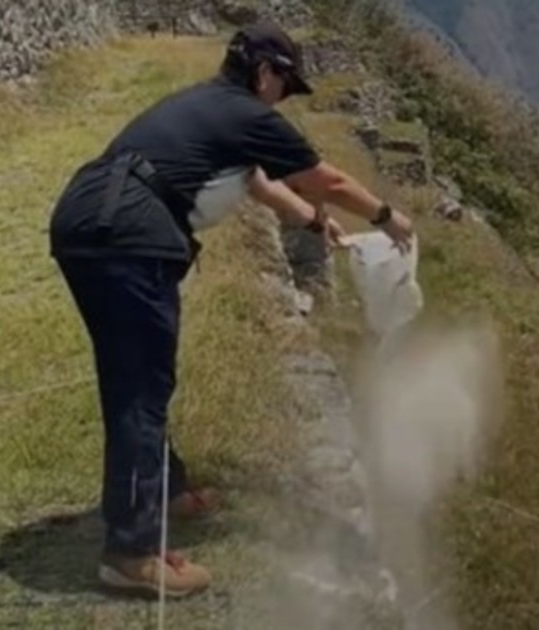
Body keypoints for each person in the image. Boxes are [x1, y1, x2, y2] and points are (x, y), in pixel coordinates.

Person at [47, 21, 414, 598]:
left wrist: (317, 223)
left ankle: (164, 491)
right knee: (141, 387)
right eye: (286, 88)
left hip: (92, 220)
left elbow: (262, 186)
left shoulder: (210, 107)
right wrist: (388, 217)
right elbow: (327, 177)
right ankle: (132, 553)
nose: (284, 101)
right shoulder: (246, 114)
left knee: (137, 378)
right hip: (124, 236)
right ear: (265, 72)